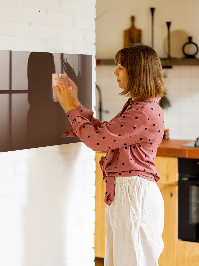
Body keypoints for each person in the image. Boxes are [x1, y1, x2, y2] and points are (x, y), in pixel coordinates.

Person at [54, 44, 166, 266]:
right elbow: (105, 133)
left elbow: (97, 141)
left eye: (121, 67)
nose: (115, 72)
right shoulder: (139, 106)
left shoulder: (143, 111)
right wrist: (75, 103)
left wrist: (69, 108)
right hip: (129, 193)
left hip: (134, 195)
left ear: (137, 72)